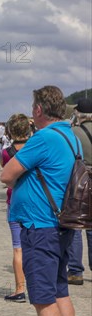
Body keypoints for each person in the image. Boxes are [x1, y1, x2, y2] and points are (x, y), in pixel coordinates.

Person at [0, 86, 79, 316]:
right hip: (61, 224)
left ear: (38, 110)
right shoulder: (70, 135)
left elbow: (7, 175)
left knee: (43, 300)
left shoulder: (43, 138)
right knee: (60, 294)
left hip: (40, 226)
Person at [0, 114, 31, 302]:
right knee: (37, 247)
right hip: (38, 204)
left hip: (15, 203)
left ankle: (20, 290)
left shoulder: (6, 153)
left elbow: (7, 175)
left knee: (18, 248)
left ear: (10, 131)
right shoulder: (37, 149)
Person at [66, 97, 92, 285]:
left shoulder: (73, 132)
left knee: (76, 225)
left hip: (80, 181)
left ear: (79, 114)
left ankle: (75, 271)